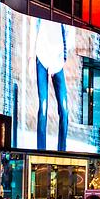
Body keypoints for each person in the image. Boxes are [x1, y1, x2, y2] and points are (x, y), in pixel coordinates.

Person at [29, 18, 71, 152]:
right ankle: (41, 149)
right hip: (41, 58)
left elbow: (68, 38)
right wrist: (31, 57)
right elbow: (33, 28)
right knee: (43, 106)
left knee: (64, 109)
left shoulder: (63, 19)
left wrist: (60, 62)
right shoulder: (39, 15)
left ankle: (62, 149)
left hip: (57, 61)